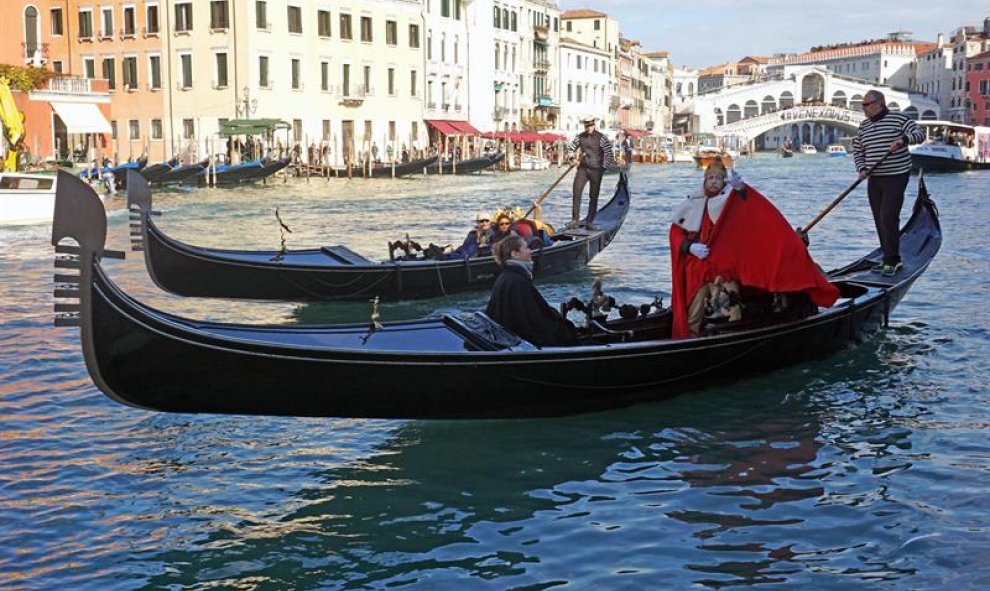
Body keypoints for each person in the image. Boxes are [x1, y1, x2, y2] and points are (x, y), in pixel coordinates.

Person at [668, 160, 840, 339]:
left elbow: (753, 210)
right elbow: (675, 233)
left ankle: (731, 335)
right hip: (699, 267)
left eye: (718, 178)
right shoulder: (693, 202)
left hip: (724, 267)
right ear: (704, 180)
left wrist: (742, 189)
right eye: (710, 178)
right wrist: (690, 247)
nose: (713, 181)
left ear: (724, 181)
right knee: (694, 310)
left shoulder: (731, 199)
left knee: (730, 303)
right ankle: (692, 337)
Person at [852, 89, 925, 277]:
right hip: (874, 177)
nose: (863, 108)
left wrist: (903, 140)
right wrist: (861, 169)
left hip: (896, 175)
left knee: (888, 216)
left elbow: (919, 133)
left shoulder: (899, 119)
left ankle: (894, 260)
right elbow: (858, 150)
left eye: (866, 105)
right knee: (879, 218)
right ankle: (887, 256)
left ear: (879, 103)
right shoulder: (864, 126)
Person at [486, 235, 579, 346]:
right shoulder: (518, 282)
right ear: (515, 254)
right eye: (526, 248)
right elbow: (533, 320)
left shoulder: (505, 277)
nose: (530, 251)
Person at [566, 115, 616, 231]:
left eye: (590, 125)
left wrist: (603, 168)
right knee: (576, 193)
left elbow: (609, 154)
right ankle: (575, 220)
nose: (589, 128)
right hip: (582, 169)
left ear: (594, 125)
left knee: (593, 197)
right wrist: (572, 159)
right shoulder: (580, 137)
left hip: (596, 170)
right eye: (587, 126)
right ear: (584, 126)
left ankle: (590, 222)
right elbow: (570, 148)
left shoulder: (601, 138)